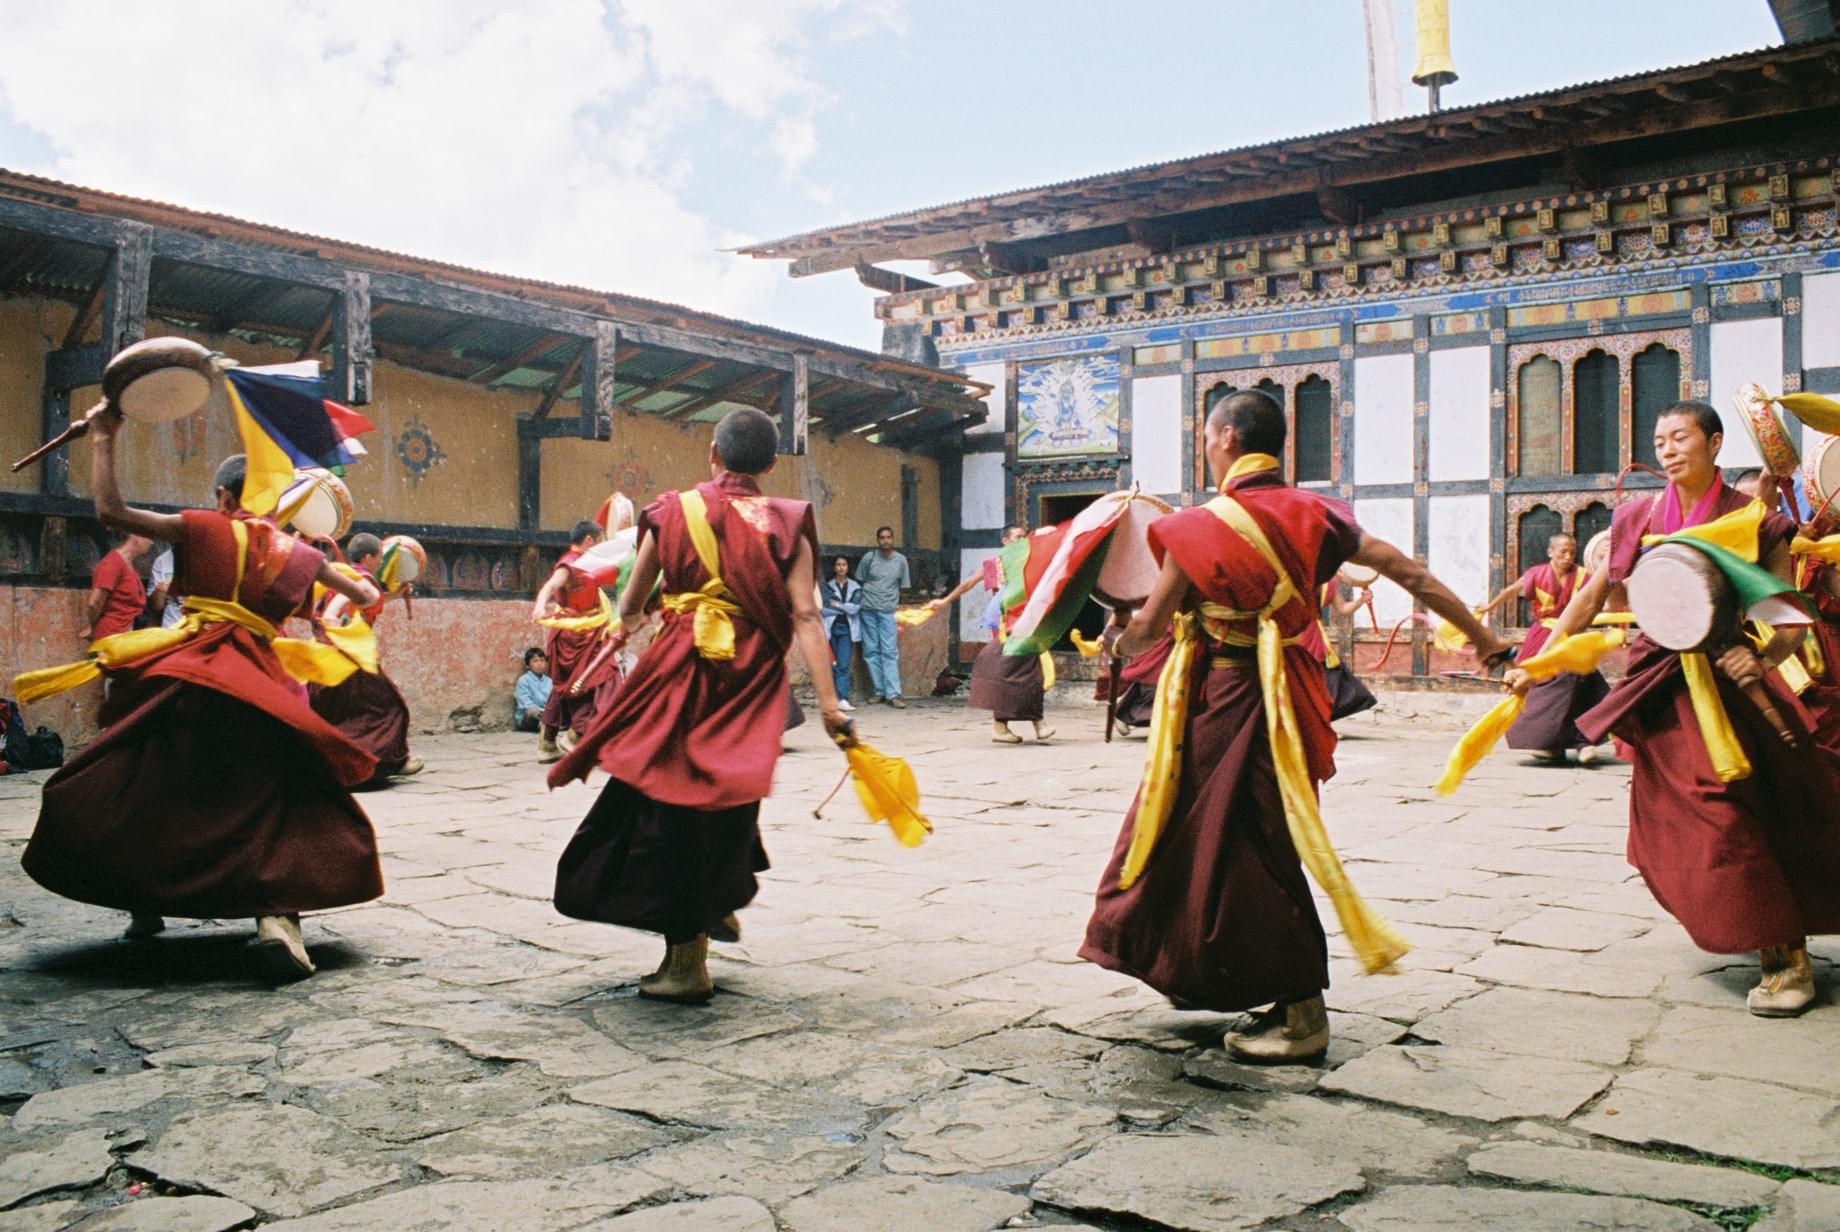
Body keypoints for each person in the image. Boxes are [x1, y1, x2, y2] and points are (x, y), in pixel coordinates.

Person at [1080, 389, 1510, 1063]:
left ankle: (1303, 1011)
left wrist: (1121, 641)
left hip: (1222, 700)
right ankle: (1197, 971)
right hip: (1283, 693)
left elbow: (1152, 627)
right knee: (1212, 840)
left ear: (1223, 438)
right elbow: (1409, 571)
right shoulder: (1319, 513)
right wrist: (1482, 639)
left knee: (1243, 845)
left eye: (1204, 436)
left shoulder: (1199, 525)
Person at [14, 426, 384, 982]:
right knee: (274, 795)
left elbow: (111, 510)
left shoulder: (200, 526)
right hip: (263, 684)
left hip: (192, 673)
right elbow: (365, 596)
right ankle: (277, 919)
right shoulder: (297, 554)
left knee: (152, 781)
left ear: (225, 496)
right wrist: (326, 586)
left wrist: (106, 438)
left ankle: (145, 903)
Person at [1520, 401, 1840, 1018]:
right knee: (1684, 822)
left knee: (1734, 813)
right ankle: (1753, 920)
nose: (1666, 449)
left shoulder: (1754, 519)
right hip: (1663, 687)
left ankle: (1787, 956)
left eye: (1680, 437)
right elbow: (1590, 597)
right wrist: (1538, 660)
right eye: (1659, 440)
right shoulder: (1638, 516)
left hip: (1728, 682)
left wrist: (1766, 658)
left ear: (1714, 444)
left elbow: (1788, 613)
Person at [549, 408, 852, 1003]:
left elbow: (633, 604)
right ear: (769, 465)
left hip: (681, 674)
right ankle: (712, 908)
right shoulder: (786, 520)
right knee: (723, 795)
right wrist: (832, 706)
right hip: (749, 680)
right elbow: (807, 615)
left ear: (713, 452)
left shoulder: (672, 511)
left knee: (669, 802)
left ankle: (687, 959)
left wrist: (622, 631)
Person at [1477, 532, 1608, 764]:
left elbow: (1595, 600)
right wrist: (1490, 606)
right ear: (1550, 552)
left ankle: (1583, 741)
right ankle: (1548, 743)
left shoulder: (1582, 575)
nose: (1568, 557)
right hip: (1541, 636)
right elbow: (1511, 590)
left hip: (1571, 634)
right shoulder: (1536, 574)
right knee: (1539, 686)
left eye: (1572, 552)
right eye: (1562, 552)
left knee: (1579, 683)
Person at [308, 532, 424, 786]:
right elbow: (346, 599)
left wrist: (393, 595)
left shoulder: (339, 575)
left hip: (321, 657)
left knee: (334, 714)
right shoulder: (362, 577)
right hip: (349, 659)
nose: (381, 562)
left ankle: (331, 768)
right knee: (390, 708)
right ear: (369, 557)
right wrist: (332, 616)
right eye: (380, 557)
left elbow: (361, 599)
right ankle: (386, 762)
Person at [932, 526, 1053, 743]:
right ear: (1005, 541)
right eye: (1017, 537)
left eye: (1024, 537)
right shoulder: (996, 563)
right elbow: (970, 583)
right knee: (1011, 670)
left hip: (1026, 616)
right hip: (1005, 619)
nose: (1022, 540)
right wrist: (945, 600)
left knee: (1028, 669)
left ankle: (1025, 723)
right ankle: (1019, 724)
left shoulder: (1030, 558)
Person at [531, 519, 609, 763]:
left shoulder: (588, 564)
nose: (601, 547)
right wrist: (540, 606)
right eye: (599, 542)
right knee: (589, 682)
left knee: (562, 687)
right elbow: (550, 585)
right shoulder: (569, 564)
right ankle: (576, 736)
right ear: (588, 541)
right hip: (574, 635)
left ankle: (546, 744)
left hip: (584, 632)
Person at [855, 526, 910, 708]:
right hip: (868, 609)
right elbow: (861, 580)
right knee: (871, 651)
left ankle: (893, 694)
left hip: (887, 611)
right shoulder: (869, 558)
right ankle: (879, 691)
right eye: (882, 538)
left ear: (893, 539)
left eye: (888, 537)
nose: (885, 540)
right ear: (878, 540)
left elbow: (903, 586)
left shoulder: (901, 560)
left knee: (889, 651)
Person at [1315, 582, 1377, 722]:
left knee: (1327, 680)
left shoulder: (1326, 585)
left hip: (1313, 636)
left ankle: (1322, 725)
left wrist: (1361, 600)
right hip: (1291, 635)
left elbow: (1343, 608)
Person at [87, 533, 152, 641]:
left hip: (127, 633)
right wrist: (92, 626)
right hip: (113, 635)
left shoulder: (129, 563)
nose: (151, 542)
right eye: (149, 537)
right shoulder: (112, 563)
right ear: (135, 536)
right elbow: (94, 603)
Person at [819, 556, 861, 712]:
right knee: (831, 664)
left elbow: (855, 608)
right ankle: (831, 699)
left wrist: (837, 604)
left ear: (848, 567)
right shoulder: (827, 586)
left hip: (847, 629)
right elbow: (824, 608)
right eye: (838, 564)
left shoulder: (855, 586)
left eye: (844, 564)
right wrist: (844, 607)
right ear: (834, 567)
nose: (841, 567)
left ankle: (842, 698)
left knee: (843, 664)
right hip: (830, 628)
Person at [146, 546, 185, 629]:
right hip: (171, 623)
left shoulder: (205, 558)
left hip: (199, 623)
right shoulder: (162, 561)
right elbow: (156, 607)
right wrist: (159, 592)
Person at [515, 648, 552, 731]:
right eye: (535, 661)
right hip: (529, 717)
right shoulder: (524, 680)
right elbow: (525, 703)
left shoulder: (549, 681)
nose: (539, 664)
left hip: (546, 713)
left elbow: (552, 701)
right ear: (528, 665)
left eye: (542, 661)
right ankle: (545, 724)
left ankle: (545, 724)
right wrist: (542, 712)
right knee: (531, 712)